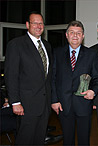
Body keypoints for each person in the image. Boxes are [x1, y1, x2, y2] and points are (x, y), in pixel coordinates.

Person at [51, 20, 98, 146]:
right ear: (66, 35)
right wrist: (54, 100)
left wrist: (93, 91)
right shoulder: (57, 53)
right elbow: (52, 78)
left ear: (83, 36)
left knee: (84, 140)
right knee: (67, 140)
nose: (75, 36)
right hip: (63, 104)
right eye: (72, 32)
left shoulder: (91, 54)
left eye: (78, 33)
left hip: (84, 105)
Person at [4, 11, 52, 145]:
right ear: (27, 25)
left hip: (44, 105)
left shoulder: (47, 46)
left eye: (41, 23)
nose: (38, 26)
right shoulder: (16, 45)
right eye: (34, 23)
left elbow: (47, 77)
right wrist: (15, 102)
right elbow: (11, 75)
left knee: (39, 140)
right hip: (25, 105)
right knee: (24, 140)